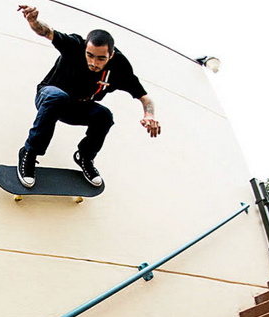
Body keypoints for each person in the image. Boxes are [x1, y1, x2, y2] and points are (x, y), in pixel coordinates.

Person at [16, 4, 161, 189]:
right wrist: (33, 21)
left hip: (77, 108)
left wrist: (149, 115)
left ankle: (84, 157)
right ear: (85, 48)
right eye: (90, 55)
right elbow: (47, 32)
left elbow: (145, 97)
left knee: (104, 116)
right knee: (58, 96)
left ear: (111, 55)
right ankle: (29, 153)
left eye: (101, 59)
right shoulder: (75, 45)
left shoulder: (120, 67)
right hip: (49, 98)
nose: (93, 63)